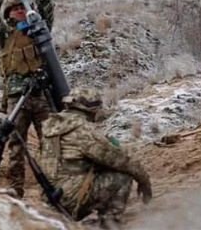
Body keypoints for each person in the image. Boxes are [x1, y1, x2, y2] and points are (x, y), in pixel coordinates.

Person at [0, 0, 54, 198]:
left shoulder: (39, 30)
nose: (19, 12)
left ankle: (53, 188)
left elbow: (47, 5)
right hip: (16, 99)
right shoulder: (4, 37)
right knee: (16, 146)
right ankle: (16, 189)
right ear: (9, 15)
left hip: (41, 97)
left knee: (51, 144)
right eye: (14, 10)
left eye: (22, 9)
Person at [39, 88, 152, 223]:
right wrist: (144, 179)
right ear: (91, 110)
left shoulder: (52, 126)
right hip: (71, 198)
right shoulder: (83, 130)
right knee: (123, 176)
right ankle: (110, 221)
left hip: (50, 197)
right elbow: (120, 159)